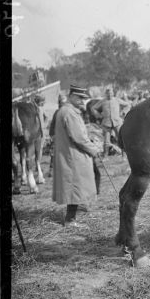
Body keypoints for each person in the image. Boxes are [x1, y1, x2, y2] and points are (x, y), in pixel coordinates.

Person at [52, 84, 100, 226]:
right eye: (79, 97)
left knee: (75, 187)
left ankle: (74, 214)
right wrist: (94, 148)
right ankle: (70, 220)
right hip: (73, 156)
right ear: (71, 96)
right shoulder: (70, 113)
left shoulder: (67, 111)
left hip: (71, 154)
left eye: (83, 98)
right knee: (75, 187)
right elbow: (79, 138)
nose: (82, 100)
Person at [91, 88, 131, 156]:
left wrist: (123, 113)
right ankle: (106, 154)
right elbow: (93, 108)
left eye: (111, 93)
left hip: (117, 122)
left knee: (120, 139)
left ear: (113, 93)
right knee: (106, 140)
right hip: (107, 123)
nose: (110, 95)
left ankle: (124, 154)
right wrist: (99, 115)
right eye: (108, 93)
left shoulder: (117, 100)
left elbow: (128, 105)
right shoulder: (103, 101)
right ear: (106, 94)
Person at [47, 94, 68, 177]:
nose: (62, 105)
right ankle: (51, 170)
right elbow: (52, 125)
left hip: (64, 136)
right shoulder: (57, 112)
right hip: (58, 136)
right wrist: (52, 135)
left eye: (63, 103)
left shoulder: (66, 112)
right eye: (61, 103)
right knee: (54, 154)